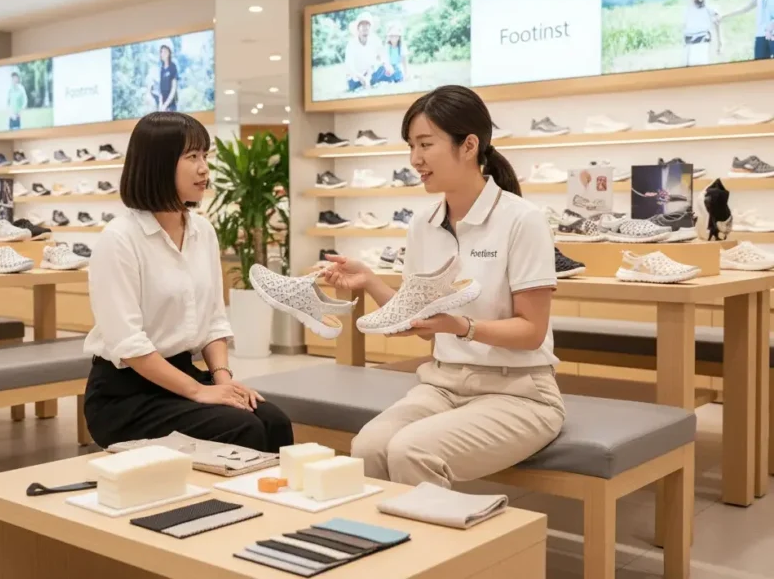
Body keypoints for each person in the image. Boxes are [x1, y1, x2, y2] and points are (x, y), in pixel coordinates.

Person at [323, 85, 565, 487]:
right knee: (367, 448)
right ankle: (386, 545)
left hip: (520, 392)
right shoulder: (423, 223)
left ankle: (441, 547)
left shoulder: (523, 220)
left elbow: (531, 331)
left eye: (425, 145)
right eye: (411, 146)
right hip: (442, 382)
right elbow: (419, 320)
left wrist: (463, 327)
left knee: (410, 451)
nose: (415, 160)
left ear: (468, 145)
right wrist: (369, 281)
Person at [83, 112, 293, 453]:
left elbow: (213, 320)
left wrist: (224, 382)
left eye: (205, 156)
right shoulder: (119, 239)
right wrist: (200, 391)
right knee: (242, 429)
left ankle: (272, 505)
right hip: (127, 396)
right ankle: (226, 506)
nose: (204, 169)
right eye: (192, 157)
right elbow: (129, 345)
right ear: (158, 163)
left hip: (181, 375)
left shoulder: (203, 232)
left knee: (273, 421)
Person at [345, 11, 385, 92]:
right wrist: (361, 77)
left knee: (383, 68)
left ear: (370, 27)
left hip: (370, 74)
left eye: (367, 24)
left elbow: (381, 58)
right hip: (356, 77)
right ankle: (365, 84)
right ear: (358, 28)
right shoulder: (351, 44)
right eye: (362, 24)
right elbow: (349, 66)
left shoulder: (375, 40)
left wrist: (369, 75)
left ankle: (371, 83)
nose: (365, 27)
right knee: (353, 83)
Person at [683, 0, 721, 67]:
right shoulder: (688, 9)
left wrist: (719, 43)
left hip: (701, 41)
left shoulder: (707, 7)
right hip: (689, 42)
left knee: (698, 67)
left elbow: (717, 21)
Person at [158, 41, 179, 111]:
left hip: (171, 106)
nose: (162, 54)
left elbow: (173, 89)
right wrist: (161, 104)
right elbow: (161, 90)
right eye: (161, 52)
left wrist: (165, 105)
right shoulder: (161, 69)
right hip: (163, 107)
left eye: (164, 51)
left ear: (169, 53)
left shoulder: (173, 67)